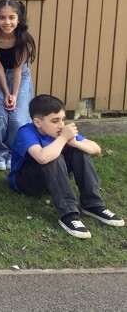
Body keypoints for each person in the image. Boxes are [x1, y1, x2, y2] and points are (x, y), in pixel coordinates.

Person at [9, 95, 124, 238]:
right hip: (27, 182)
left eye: (63, 119)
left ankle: (93, 204)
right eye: (55, 121)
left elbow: (96, 149)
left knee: (78, 150)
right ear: (38, 122)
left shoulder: (60, 130)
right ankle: (68, 214)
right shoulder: (26, 132)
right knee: (51, 156)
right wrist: (63, 138)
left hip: (54, 179)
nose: (61, 125)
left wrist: (75, 143)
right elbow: (42, 157)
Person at [0, 0, 36, 171]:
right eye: (2, 17)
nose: (7, 22)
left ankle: (16, 152)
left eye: (11, 17)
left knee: (17, 117)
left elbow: (17, 69)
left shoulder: (24, 39)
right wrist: (6, 93)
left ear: (19, 19)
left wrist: (14, 95)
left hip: (20, 77)